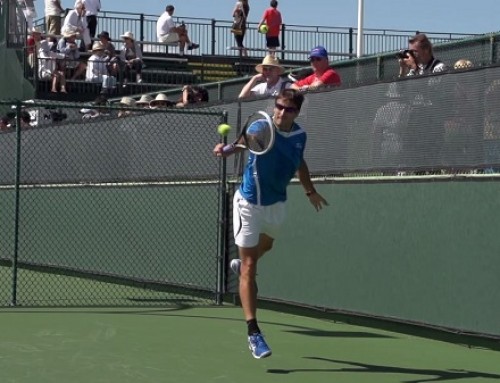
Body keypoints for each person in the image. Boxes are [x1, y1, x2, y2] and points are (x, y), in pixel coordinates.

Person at [213, 89, 328, 359]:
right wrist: (227, 149)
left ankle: (243, 266)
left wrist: (310, 191)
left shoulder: (300, 136)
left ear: (297, 113)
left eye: (288, 109)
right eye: (278, 106)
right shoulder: (260, 126)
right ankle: (254, 332)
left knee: (267, 246)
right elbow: (244, 142)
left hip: (276, 203)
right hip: (249, 203)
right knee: (250, 267)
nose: (281, 112)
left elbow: (299, 163)